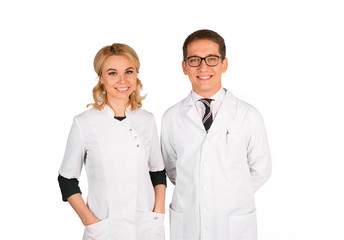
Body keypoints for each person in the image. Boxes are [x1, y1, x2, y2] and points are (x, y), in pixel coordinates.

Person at [161, 29, 271, 240]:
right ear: (184, 67)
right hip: (188, 220)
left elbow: (261, 169)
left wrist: (229, 194)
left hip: (233, 221)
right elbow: (173, 170)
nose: (203, 67)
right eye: (194, 60)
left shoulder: (248, 115)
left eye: (211, 59)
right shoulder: (171, 117)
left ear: (224, 64)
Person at [58, 43, 166, 240]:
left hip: (146, 228)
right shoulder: (84, 122)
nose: (122, 80)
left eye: (129, 71)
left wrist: (158, 213)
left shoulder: (147, 119)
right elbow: (67, 179)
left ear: (136, 75)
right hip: (104, 229)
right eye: (113, 73)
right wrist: (91, 223)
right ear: (101, 78)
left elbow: (157, 171)